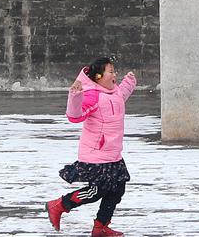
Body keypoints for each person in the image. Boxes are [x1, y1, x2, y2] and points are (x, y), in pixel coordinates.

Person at [46, 57, 137, 237]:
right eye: (111, 71)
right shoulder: (92, 96)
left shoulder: (115, 92)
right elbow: (75, 116)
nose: (114, 74)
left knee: (117, 189)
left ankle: (100, 227)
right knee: (96, 191)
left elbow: (122, 95)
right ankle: (59, 205)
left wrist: (130, 82)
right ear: (98, 77)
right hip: (96, 155)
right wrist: (75, 96)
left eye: (114, 71)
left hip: (114, 155)